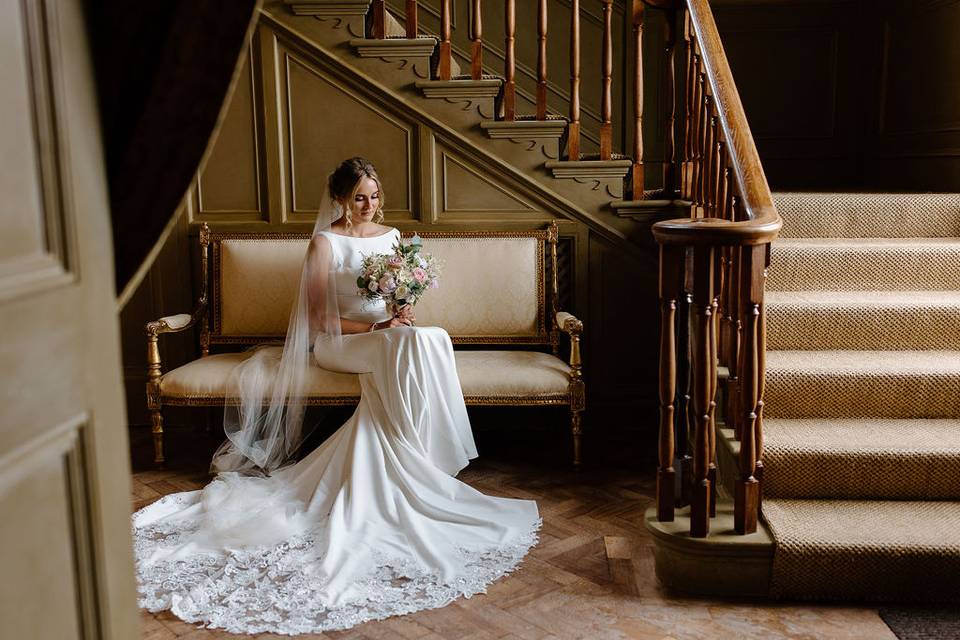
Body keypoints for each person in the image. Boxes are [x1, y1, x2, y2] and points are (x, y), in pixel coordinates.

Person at [132, 157, 541, 635]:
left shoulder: (393, 238)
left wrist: (401, 307)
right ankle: (422, 459)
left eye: (374, 196)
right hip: (338, 344)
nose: (369, 205)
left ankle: (415, 457)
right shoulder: (325, 244)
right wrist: (379, 326)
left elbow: (397, 303)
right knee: (411, 342)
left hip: (383, 336)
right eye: (359, 197)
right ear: (342, 200)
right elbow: (319, 320)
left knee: (432, 336)